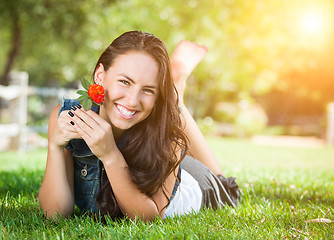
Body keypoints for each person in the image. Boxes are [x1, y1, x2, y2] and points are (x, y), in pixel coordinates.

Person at [39, 31, 240, 222]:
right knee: (168, 140)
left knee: (228, 188)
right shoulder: (68, 118)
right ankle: (173, 88)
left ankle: (175, 94)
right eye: (125, 82)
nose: (133, 101)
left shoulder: (167, 134)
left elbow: (149, 217)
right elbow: (55, 214)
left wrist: (109, 155)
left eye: (148, 90)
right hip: (155, 163)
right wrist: (55, 146)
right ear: (100, 75)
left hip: (190, 185)